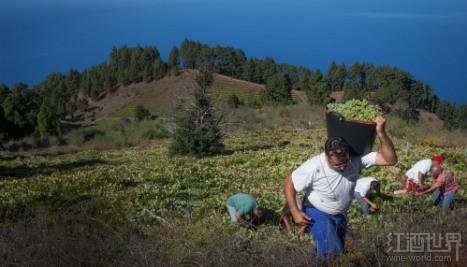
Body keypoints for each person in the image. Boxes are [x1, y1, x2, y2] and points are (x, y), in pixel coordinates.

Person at [284, 116, 397, 260]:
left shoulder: (355, 159)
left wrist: (381, 133)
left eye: (345, 162)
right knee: (333, 252)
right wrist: (295, 211)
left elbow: (390, 159)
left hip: (340, 214)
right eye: (337, 164)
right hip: (317, 212)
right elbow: (289, 182)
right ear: (327, 157)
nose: (343, 166)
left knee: (327, 253)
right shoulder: (314, 166)